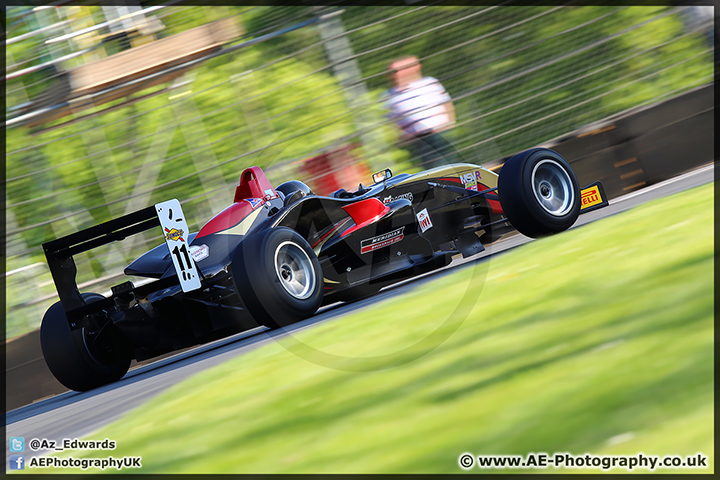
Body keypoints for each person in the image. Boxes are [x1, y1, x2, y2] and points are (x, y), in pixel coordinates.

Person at [385, 55, 460, 168]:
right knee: (434, 169)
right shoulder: (390, 95)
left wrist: (450, 122)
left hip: (440, 132)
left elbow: (446, 103)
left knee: (452, 164)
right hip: (420, 139)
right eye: (393, 71)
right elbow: (391, 122)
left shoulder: (429, 83)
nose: (395, 74)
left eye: (398, 70)